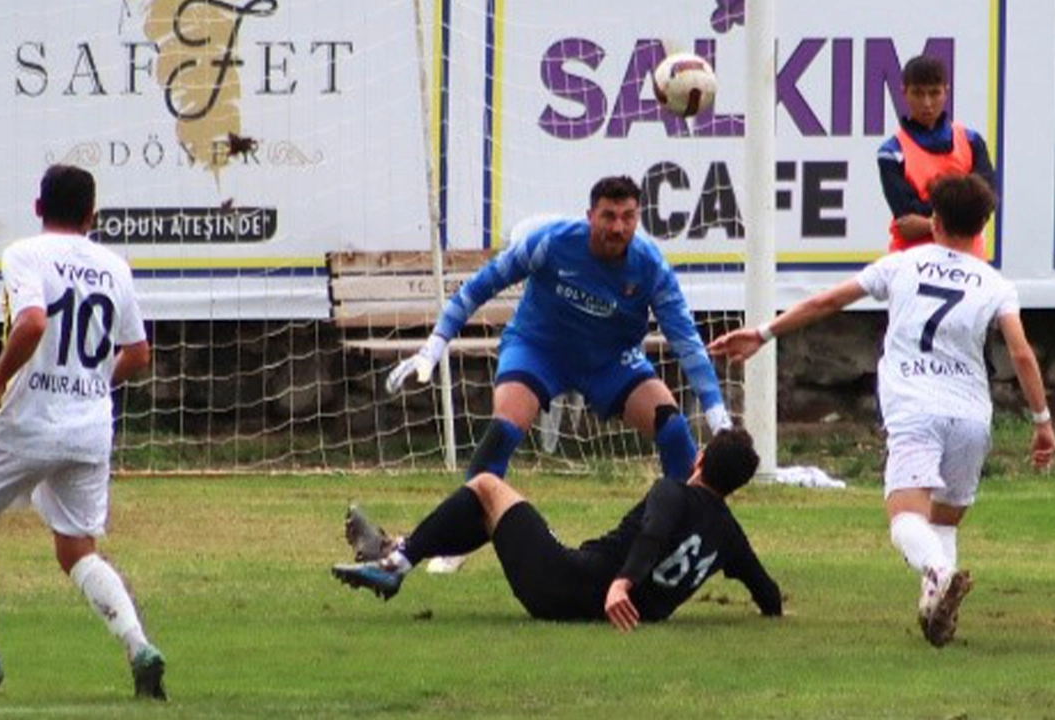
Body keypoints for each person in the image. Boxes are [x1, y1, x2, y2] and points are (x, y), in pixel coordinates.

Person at [709, 173, 1054, 648]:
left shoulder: (903, 264)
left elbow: (828, 301)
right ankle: (934, 609)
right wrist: (1041, 422)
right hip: (971, 415)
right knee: (944, 519)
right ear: (982, 228)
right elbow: (1019, 353)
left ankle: (939, 571)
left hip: (916, 408)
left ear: (934, 220)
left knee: (906, 520)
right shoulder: (996, 285)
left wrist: (764, 333)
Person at [385, 176, 732, 571]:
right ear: (590, 216)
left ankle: (686, 534)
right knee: (503, 430)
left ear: (638, 218)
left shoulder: (651, 267)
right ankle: (458, 537)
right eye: (608, 216)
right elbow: (478, 289)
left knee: (673, 430)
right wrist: (433, 348)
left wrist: (718, 416)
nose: (618, 227)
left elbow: (687, 342)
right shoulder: (550, 242)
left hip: (610, 361)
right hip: (538, 349)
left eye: (628, 217)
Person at [0, 165, 166, 698]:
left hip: (31, 421)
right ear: (91, 216)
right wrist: (89, 383)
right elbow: (138, 353)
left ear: (38, 209)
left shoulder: (24, 253)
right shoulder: (114, 265)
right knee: (77, 549)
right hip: (89, 428)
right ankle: (139, 646)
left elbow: (32, 322)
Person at [333, 429, 782, 630]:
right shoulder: (729, 536)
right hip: (587, 604)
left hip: (567, 581)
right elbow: (768, 594)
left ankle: (396, 561)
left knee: (488, 485)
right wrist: (775, 615)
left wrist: (621, 584)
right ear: (736, 486)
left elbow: (655, 532)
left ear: (699, 461)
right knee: (492, 513)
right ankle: (398, 550)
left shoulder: (672, 491)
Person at [878, 54, 995, 258]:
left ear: (945, 92)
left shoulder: (971, 141)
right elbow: (905, 219)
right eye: (918, 93)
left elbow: (984, 206)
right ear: (904, 93)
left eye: (934, 93)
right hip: (912, 262)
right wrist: (961, 208)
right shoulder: (891, 152)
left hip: (967, 262)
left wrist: (926, 221)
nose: (927, 103)